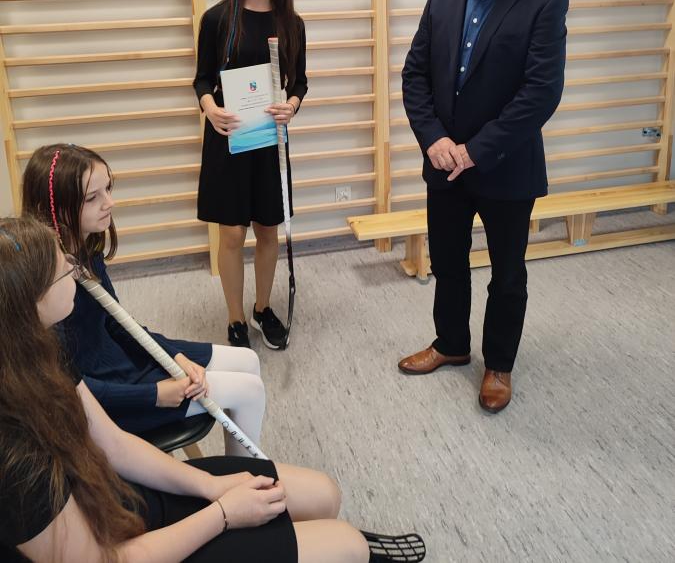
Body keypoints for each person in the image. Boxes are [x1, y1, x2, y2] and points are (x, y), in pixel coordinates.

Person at [0, 216, 421, 563]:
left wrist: (210, 486)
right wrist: (222, 515)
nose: (75, 269)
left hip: (116, 497)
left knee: (323, 496)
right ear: (31, 302)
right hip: (114, 547)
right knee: (347, 546)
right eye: (64, 270)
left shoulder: (40, 350)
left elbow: (116, 445)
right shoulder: (14, 456)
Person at [398, 0, 568, 413]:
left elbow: (540, 93)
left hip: (505, 167)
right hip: (444, 166)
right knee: (448, 263)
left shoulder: (544, 4)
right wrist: (434, 140)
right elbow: (414, 77)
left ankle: (498, 364)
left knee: (507, 274)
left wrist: (476, 150)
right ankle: (451, 344)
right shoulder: (441, 3)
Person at [22, 143, 265, 454]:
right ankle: (244, 477)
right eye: (93, 198)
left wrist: (176, 357)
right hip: (107, 400)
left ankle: (241, 468)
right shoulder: (45, 284)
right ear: (53, 208)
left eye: (108, 189)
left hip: (121, 361)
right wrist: (156, 395)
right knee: (249, 392)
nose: (109, 202)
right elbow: (66, 385)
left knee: (248, 360)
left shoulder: (86, 250)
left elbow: (118, 323)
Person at [194, 0, 307, 350]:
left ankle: (262, 308)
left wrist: (291, 105)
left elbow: (300, 83)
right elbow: (202, 79)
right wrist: (211, 110)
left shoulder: (291, 23)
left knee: (268, 230)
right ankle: (236, 318)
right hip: (229, 137)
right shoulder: (217, 19)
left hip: (270, 140)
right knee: (231, 235)